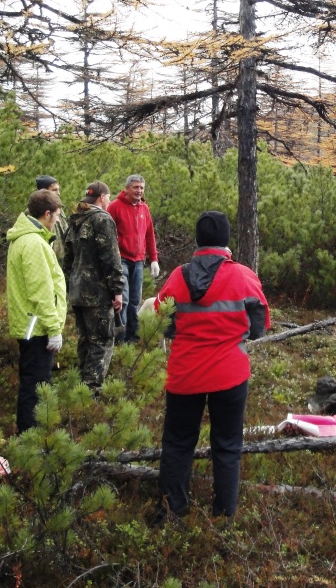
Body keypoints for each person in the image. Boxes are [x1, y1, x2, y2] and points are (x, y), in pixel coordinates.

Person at [152, 211, 270, 522]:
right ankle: (224, 515)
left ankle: (171, 511)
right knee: (227, 445)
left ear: (198, 239)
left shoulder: (178, 277)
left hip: (185, 373)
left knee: (177, 443)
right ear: (226, 240)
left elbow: (161, 322)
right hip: (230, 373)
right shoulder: (244, 276)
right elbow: (259, 326)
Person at [7, 188, 67, 434]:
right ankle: (30, 438)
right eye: (57, 216)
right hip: (37, 327)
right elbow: (40, 291)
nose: (57, 221)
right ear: (47, 214)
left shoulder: (29, 239)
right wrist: (53, 328)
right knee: (36, 385)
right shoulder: (33, 243)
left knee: (33, 382)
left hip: (32, 324)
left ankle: (31, 435)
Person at [62, 181, 124, 395]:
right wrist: (117, 290)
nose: (109, 201)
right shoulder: (102, 220)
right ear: (102, 198)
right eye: (108, 197)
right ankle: (91, 394)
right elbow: (111, 258)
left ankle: (81, 390)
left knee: (85, 341)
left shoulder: (75, 220)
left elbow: (67, 260)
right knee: (101, 343)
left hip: (78, 292)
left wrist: (70, 287)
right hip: (98, 294)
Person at [107, 173, 159, 344]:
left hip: (138, 260)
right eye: (136, 187)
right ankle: (120, 338)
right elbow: (107, 235)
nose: (139, 191)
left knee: (135, 299)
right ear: (127, 188)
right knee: (123, 298)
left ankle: (133, 337)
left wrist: (154, 259)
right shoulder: (115, 207)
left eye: (142, 188)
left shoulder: (144, 208)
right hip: (121, 259)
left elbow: (149, 235)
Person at [35, 175, 67, 262]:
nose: (58, 193)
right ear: (43, 192)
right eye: (54, 190)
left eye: (58, 190)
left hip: (63, 261)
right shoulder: (35, 212)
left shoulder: (59, 209)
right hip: (48, 260)